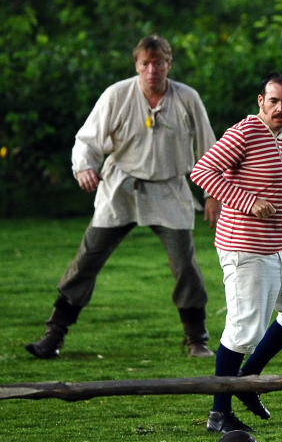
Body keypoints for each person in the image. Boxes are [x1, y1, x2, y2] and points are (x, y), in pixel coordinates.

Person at [25, 35, 219, 360]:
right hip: (121, 188)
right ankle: (53, 335)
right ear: (137, 65)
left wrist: (213, 193)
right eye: (145, 63)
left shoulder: (187, 98)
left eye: (158, 63)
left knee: (185, 264)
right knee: (87, 261)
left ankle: (196, 338)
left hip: (169, 190)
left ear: (168, 65)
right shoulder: (117, 94)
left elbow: (209, 148)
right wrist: (84, 167)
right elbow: (87, 139)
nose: (152, 70)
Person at [190, 73, 282, 433]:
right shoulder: (244, 132)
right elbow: (203, 172)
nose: (281, 108)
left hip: (278, 245)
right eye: (274, 101)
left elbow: (270, 178)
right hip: (244, 247)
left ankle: (249, 377)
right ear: (260, 101)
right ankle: (219, 412)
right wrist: (248, 202)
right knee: (243, 331)